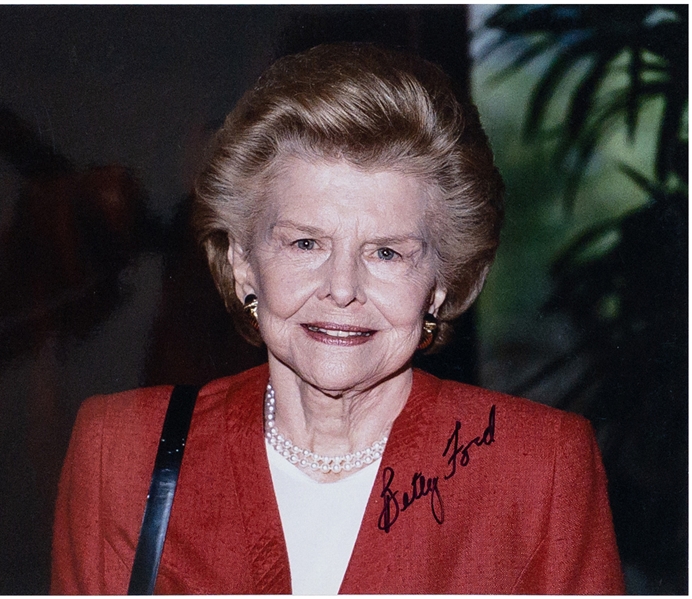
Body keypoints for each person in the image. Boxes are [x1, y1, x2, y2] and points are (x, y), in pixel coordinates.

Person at [51, 43, 625, 594]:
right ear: (243, 263)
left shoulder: (540, 469)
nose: (342, 289)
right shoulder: (122, 452)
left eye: (387, 252)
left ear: (441, 281)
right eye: (305, 244)